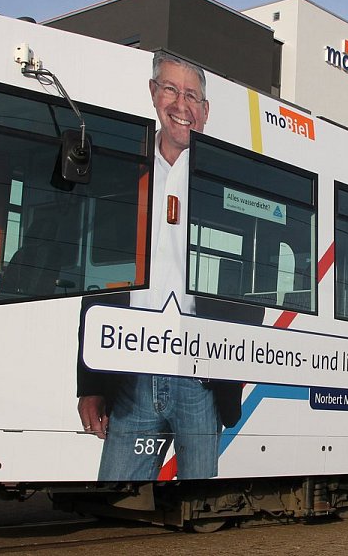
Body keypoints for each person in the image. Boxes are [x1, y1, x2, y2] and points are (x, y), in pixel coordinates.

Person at [77, 53, 217, 481]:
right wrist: (91, 384)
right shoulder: (123, 177)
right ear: (153, 94)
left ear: (205, 112)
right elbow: (95, 279)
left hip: (201, 373)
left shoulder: (222, 179)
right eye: (171, 90)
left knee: (203, 506)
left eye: (192, 95)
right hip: (131, 367)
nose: (181, 104)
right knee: (114, 498)